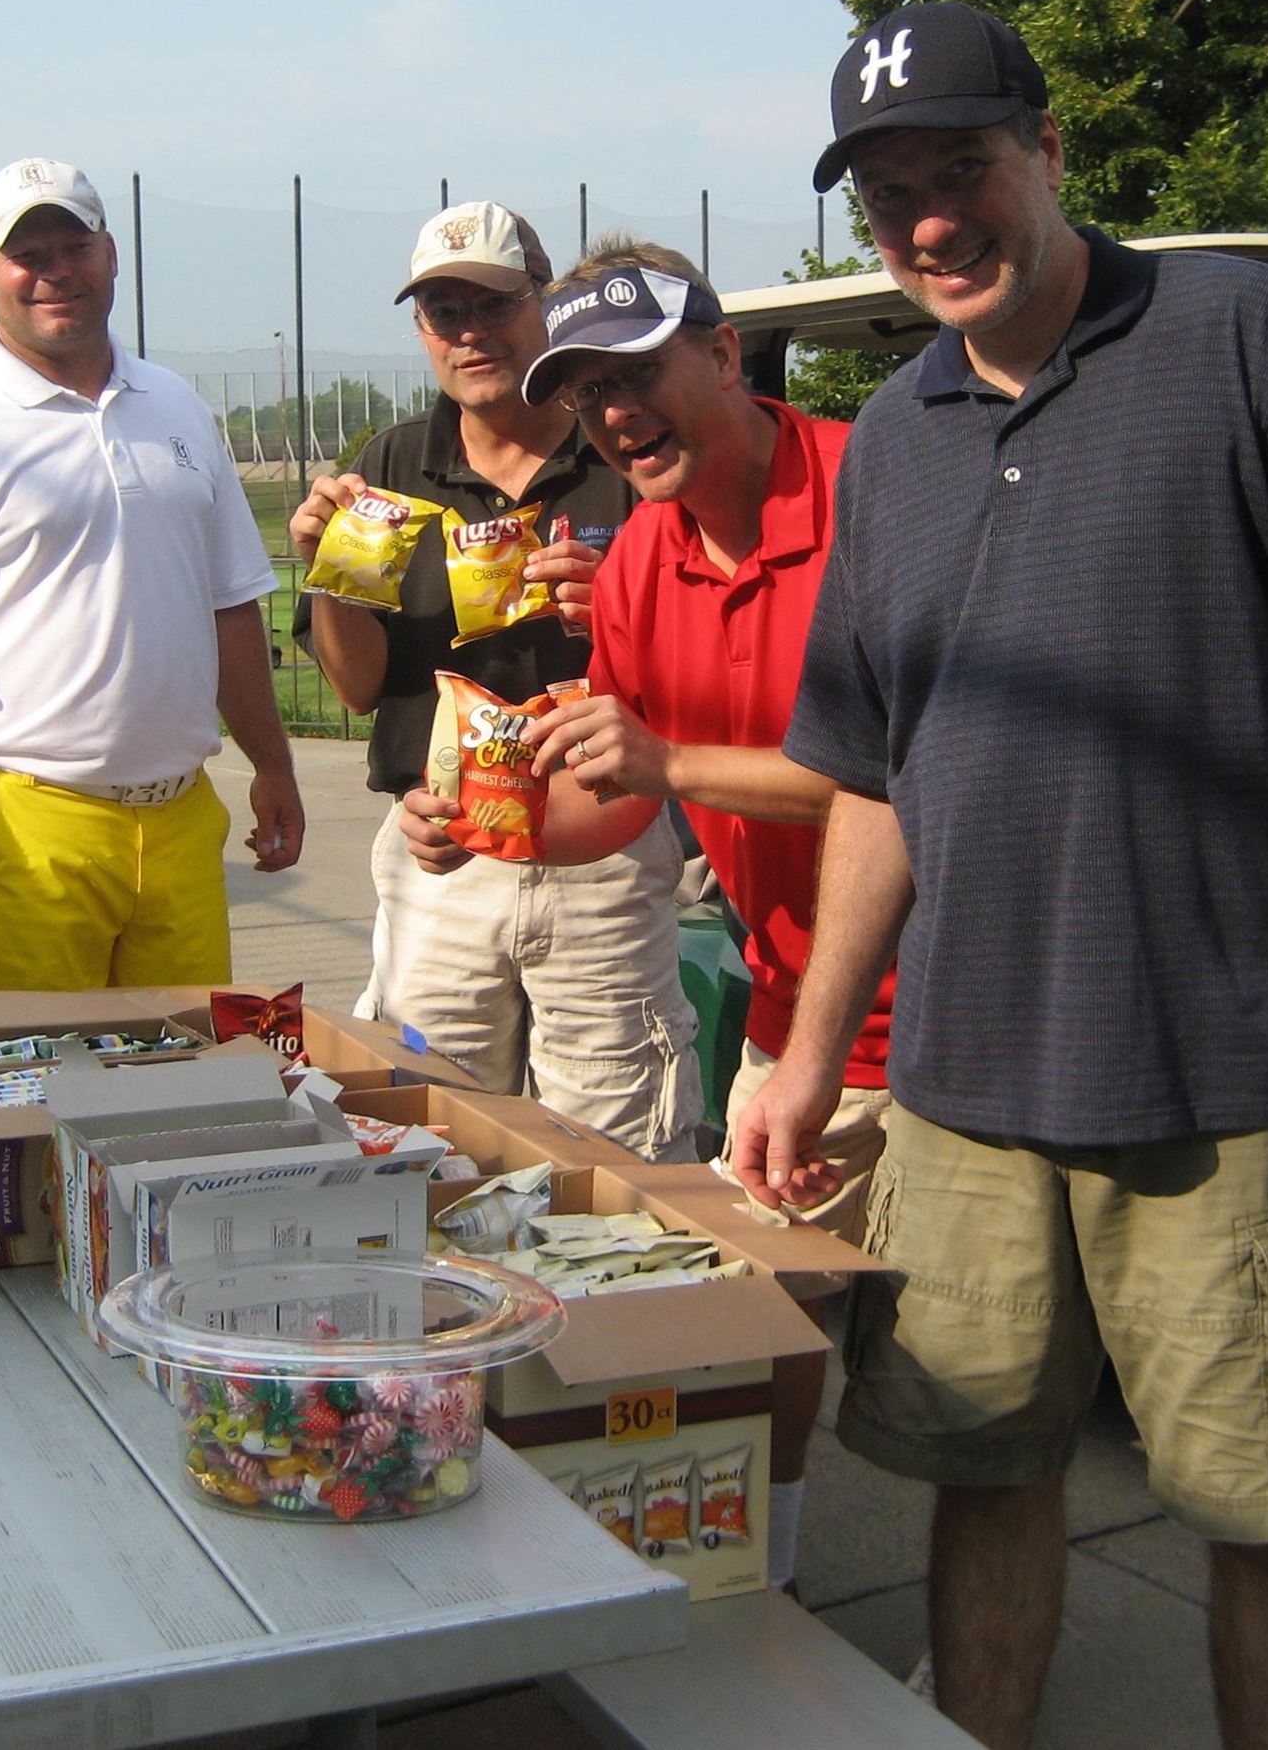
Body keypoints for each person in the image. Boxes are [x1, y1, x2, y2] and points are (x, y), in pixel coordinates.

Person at [735, 3, 1268, 1750]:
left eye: (964, 169)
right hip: (963, 1097)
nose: (931, 222)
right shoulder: (898, 435)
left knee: (1267, 1508)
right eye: (889, 195)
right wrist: (801, 1055)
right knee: (982, 1478)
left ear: (1050, 151)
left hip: (1221, 1091)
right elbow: (875, 779)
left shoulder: (1240, 336)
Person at [500, 234, 900, 1597]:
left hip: (974, 1019)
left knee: (982, 1408)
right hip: (799, 1024)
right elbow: (627, 804)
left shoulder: (879, 487)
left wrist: (663, 760)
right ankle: (759, 1611)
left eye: (639, 371)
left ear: (724, 356)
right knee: (750, 1341)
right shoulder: (631, 567)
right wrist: (489, 830)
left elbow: (900, 779)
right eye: (585, 390)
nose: (614, 412)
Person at [287, 202, 700, 1159]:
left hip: (600, 858)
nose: (469, 332)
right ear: (420, 330)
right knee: (432, 1139)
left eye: (493, 304)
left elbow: (697, 657)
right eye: (441, 310)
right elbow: (357, 689)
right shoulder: (392, 465)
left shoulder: (619, 446)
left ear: (545, 307)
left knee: (614, 1155)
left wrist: (620, 609)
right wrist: (331, 575)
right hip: (444, 856)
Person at [0, 156, 302, 991]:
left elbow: (232, 605)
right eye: (28, 253)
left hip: (182, 825)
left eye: (74, 245)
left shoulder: (176, 406)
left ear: (111, 255)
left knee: (185, 1094)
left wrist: (273, 766)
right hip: (20, 832)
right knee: (24, 1100)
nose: (55, 271)